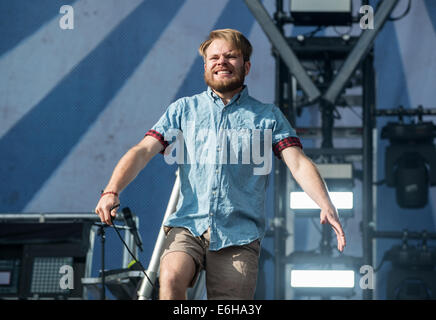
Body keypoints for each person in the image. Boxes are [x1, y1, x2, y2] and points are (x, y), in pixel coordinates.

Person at [95, 28, 346, 300]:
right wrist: (112, 190)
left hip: (239, 233)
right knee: (170, 277)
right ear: (205, 66)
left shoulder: (267, 116)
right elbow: (143, 151)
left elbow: (297, 163)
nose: (221, 62)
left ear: (246, 66)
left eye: (231, 56)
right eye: (214, 57)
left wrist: (325, 203)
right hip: (188, 226)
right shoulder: (183, 110)